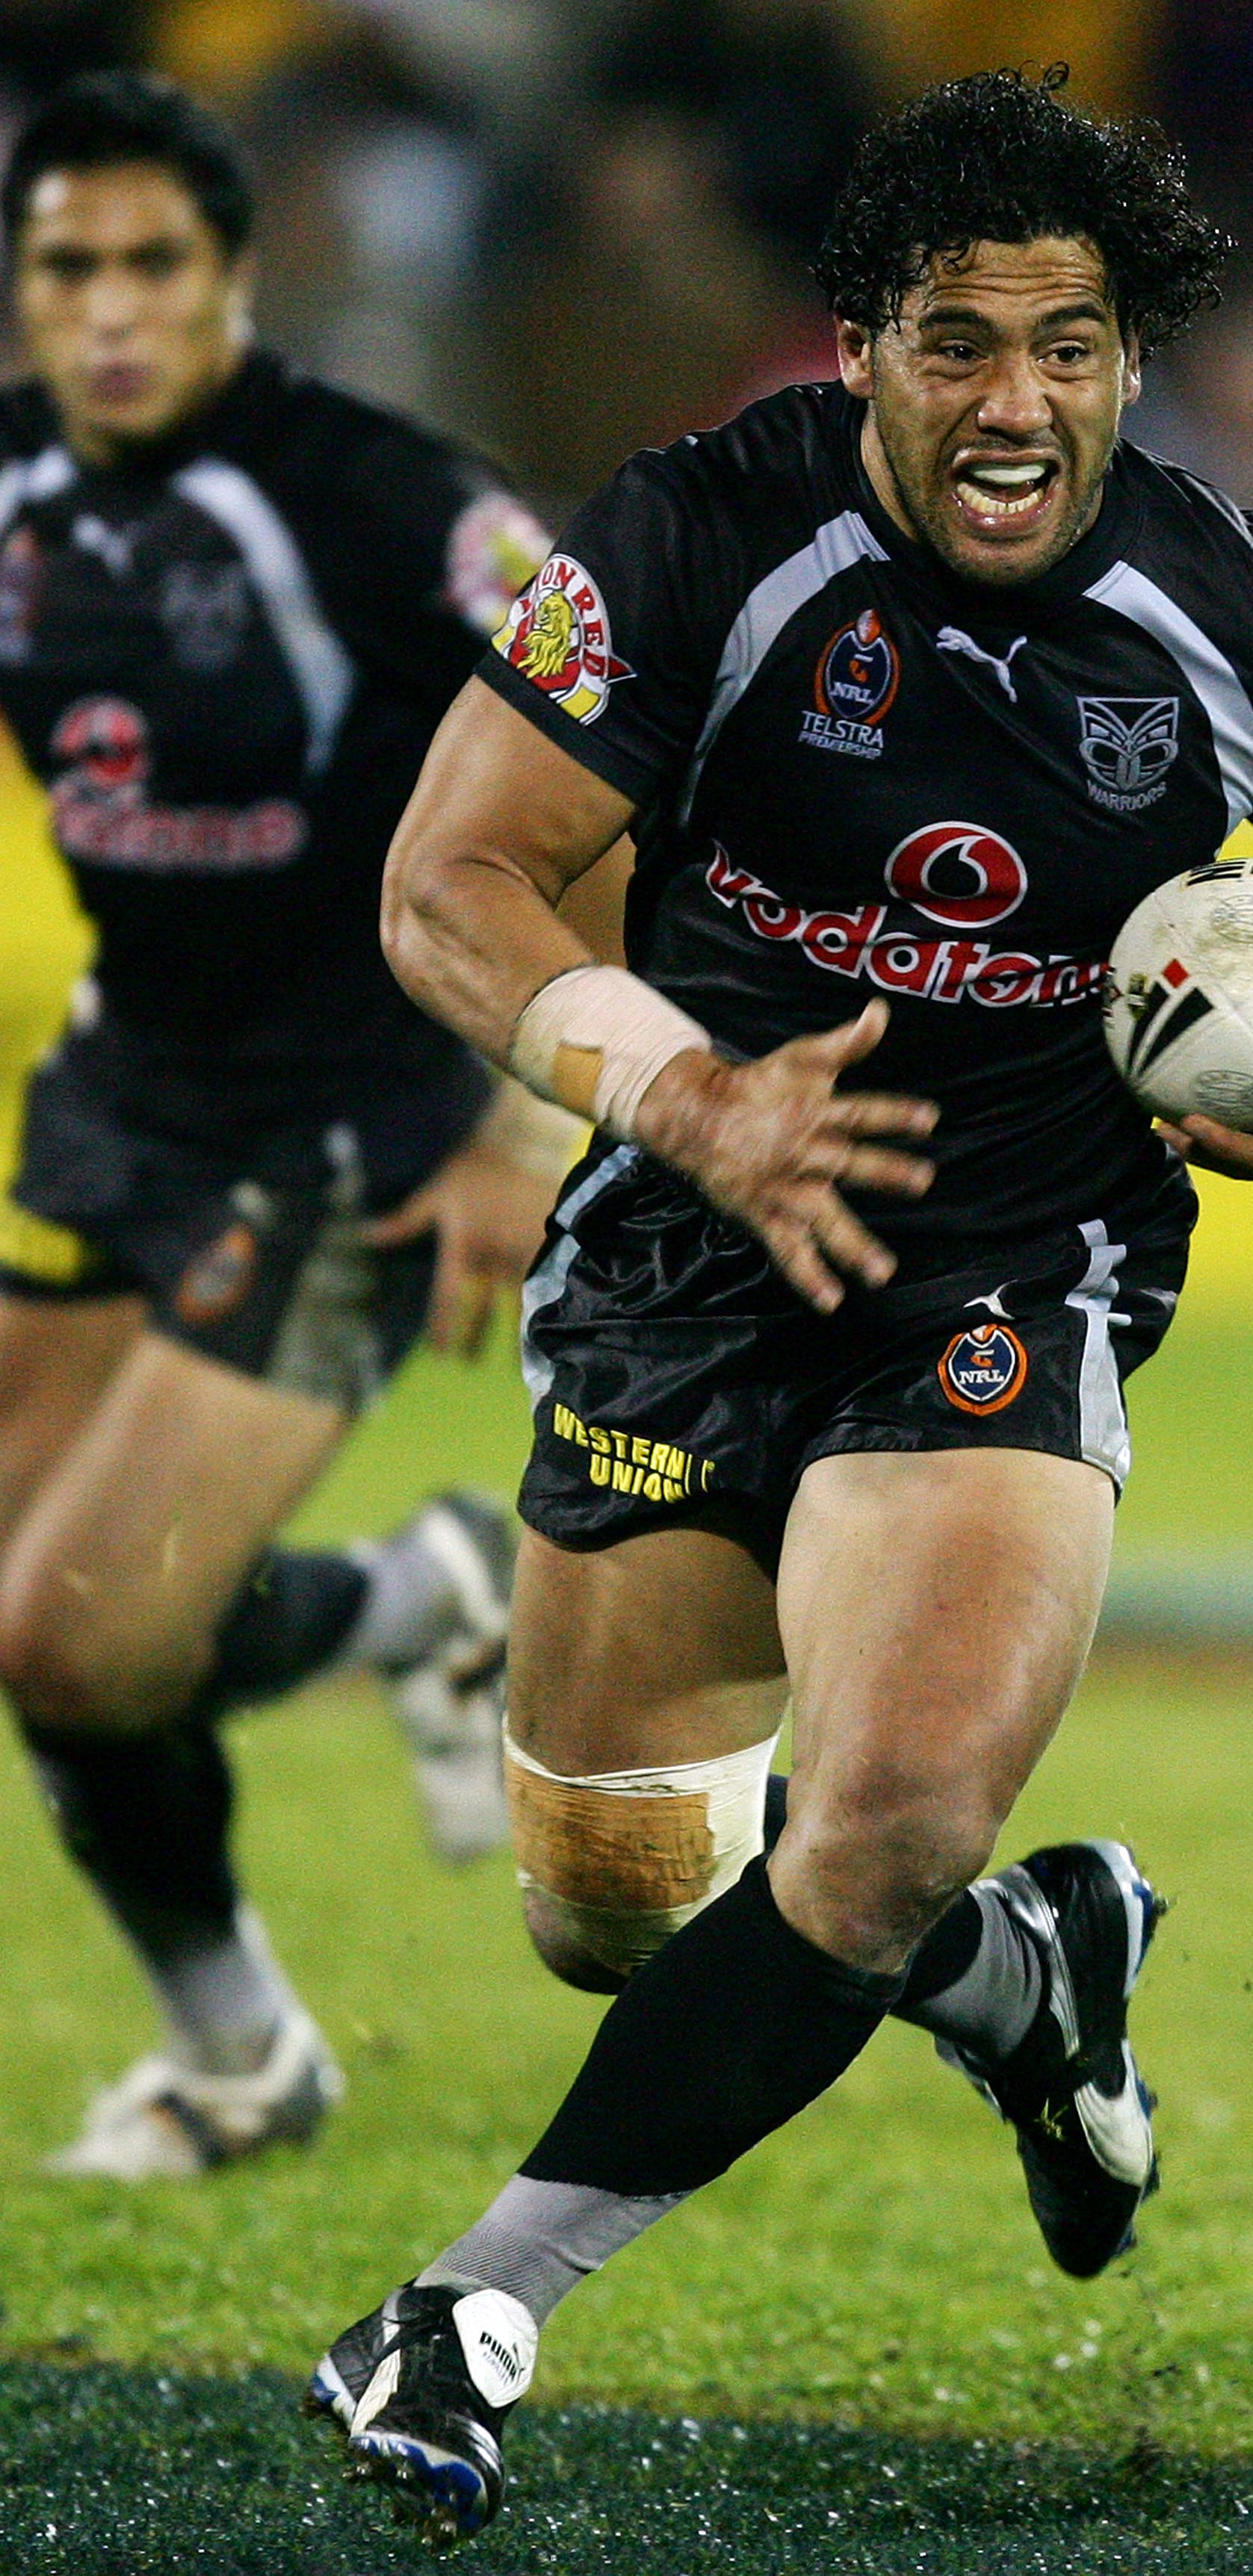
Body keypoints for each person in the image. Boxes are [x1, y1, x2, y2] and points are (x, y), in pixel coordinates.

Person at [309, 67, 1253, 2542]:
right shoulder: (694, 535)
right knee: (615, 1905)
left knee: (872, 1822)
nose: (1013, 403)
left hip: (1011, 1263)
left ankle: (464, 2308)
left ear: (1131, 358)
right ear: (857, 342)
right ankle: (1027, 1970)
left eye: (1068, 346)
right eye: (956, 343)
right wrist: (690, 1097)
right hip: (685, 1241)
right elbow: (453, 885)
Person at [0, 71, 572, 2180]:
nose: (111, 310)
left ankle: (240, 2042)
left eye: (155, 264)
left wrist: (522, 1132)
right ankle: (250, 2033)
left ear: (235, 277)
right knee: (38, 1614)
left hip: (355, 1110)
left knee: (73, 1637)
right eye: (68, 267)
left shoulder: (377, 497)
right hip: (121, 1083)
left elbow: (626, 756)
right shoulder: (14, 487)